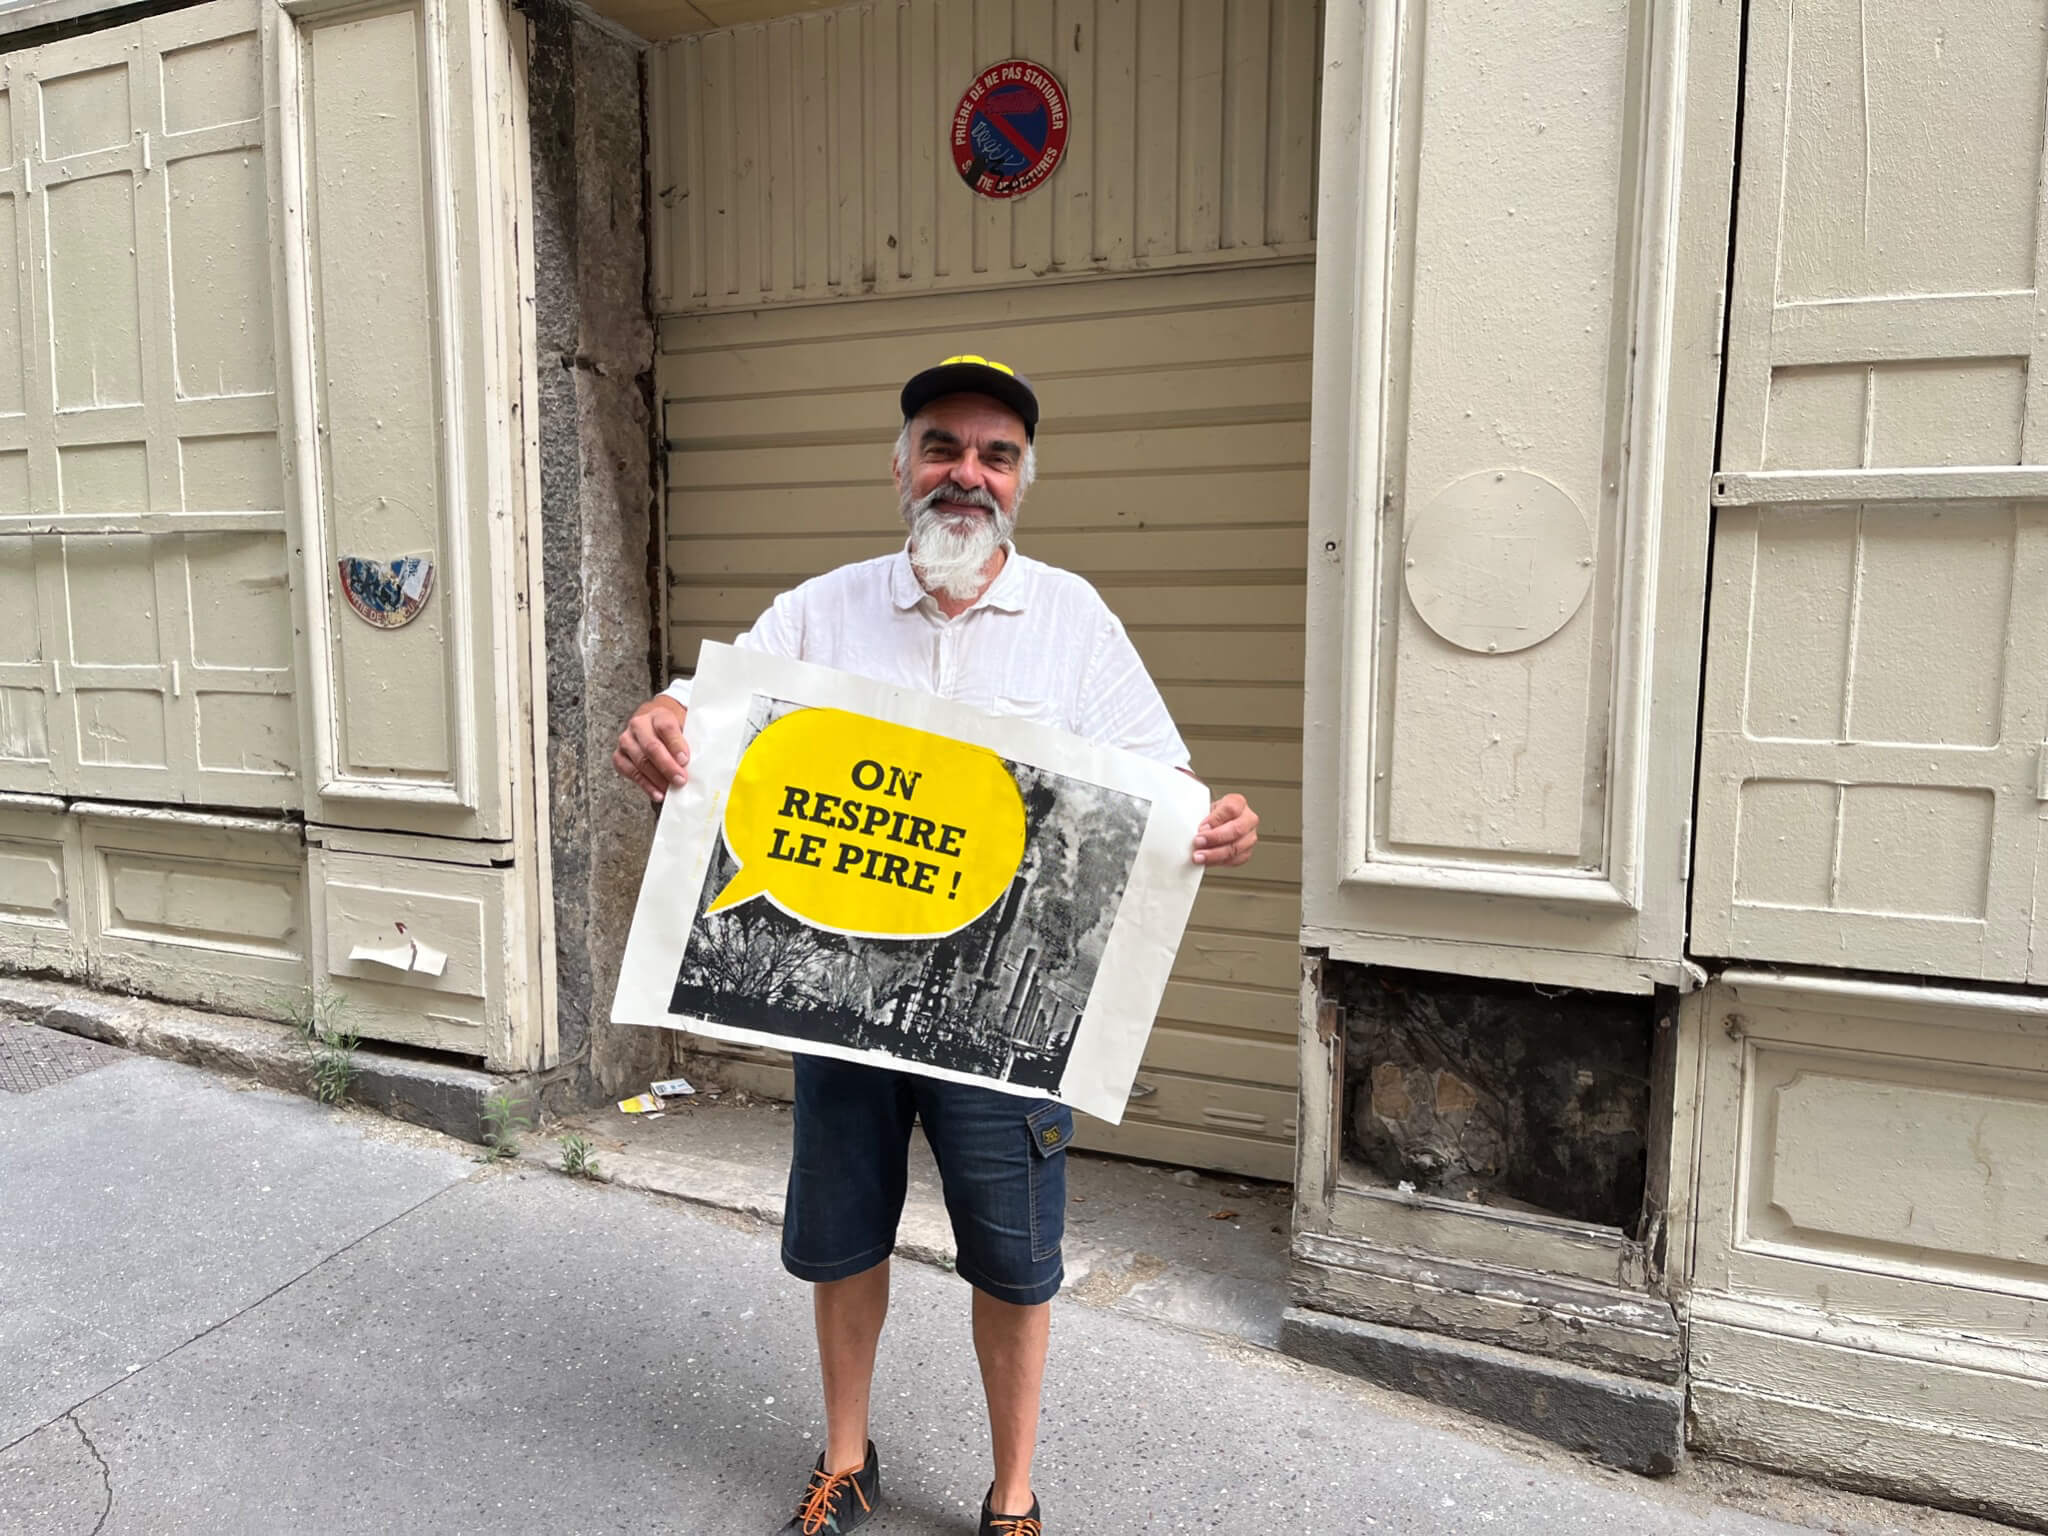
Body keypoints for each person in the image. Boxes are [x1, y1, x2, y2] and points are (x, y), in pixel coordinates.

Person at [613, 355, 1260, 1535]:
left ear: (1023, 480)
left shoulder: (1073, 619)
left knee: (1013, 1260)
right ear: (899, 465)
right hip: (841, 1001)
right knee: (840, 1236)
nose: (966, 473)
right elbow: (699, 725)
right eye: (942, 447)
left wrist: (1210, 818)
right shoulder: (821, 607)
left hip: (1003, 1027)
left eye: (994, 455)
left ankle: (1011, 1494)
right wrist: (660, 721)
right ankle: (846, 1459)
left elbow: (1158, 784)